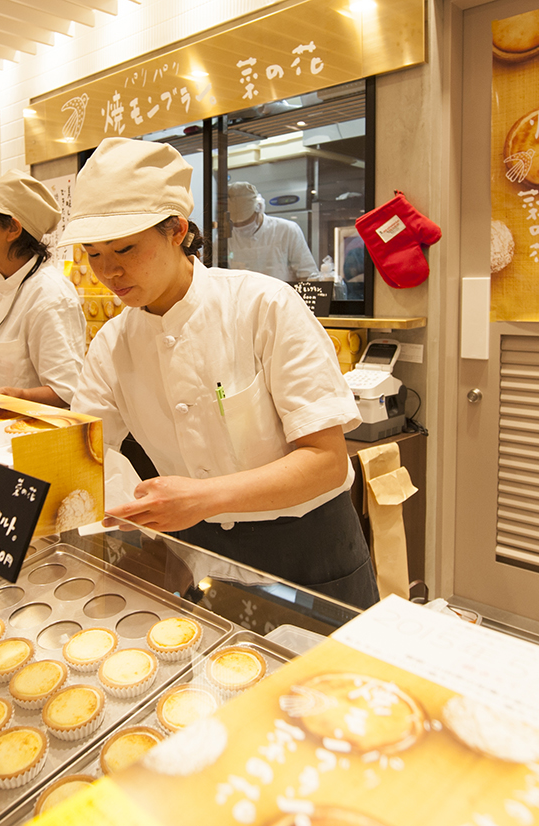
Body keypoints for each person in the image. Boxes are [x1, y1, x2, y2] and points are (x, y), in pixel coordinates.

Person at [66, 138, 379, 608]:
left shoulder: (264, 306)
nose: (108, 271)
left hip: (310, 552)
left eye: (125, 249)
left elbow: (326, 460)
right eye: (93, 254)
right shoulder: (112, 344)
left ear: (175, 230)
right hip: (197, 554)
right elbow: (79, 452)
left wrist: (205, 497)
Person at [0, 170, 85, 407]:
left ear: (13, 229)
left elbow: (68, 391)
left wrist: (21, 398)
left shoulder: (50, 295)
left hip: (24, 439)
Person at [225, 181, 317, 283]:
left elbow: (307, 275)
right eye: (235, 223)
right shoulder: (226, 238)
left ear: (259, 208)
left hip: (282, 296)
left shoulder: (287, 230)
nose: (240, 226)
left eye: (245, 221)